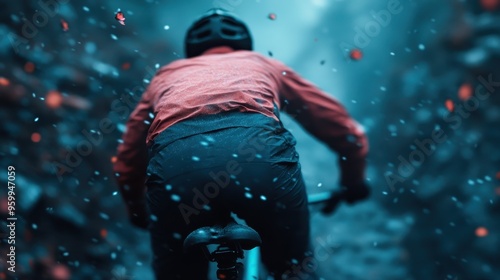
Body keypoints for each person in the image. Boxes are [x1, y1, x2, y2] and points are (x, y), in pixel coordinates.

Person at [113, 8, 370, 280]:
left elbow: (128, 159)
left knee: (178, 272)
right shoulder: (262, 63)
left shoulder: (165, 75)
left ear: (193, 49)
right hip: (261, 164)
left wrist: (138, 210)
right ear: (244, 44)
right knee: (294, 270)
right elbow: (342, 129)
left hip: (178, 171)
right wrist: (353, 180)